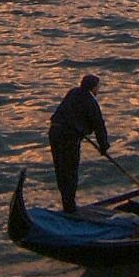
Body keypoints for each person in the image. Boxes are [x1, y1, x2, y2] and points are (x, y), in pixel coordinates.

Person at [48, 73, 109, 213]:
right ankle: (70, 208)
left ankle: (67, 205)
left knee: (61, 171)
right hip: (68, 137)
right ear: (93, 87)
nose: (98, 90)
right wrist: (104, 147)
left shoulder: (73, 93)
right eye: (97, 87)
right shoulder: (90, 101)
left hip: (54, 133)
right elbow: (99, 125)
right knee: (70, 172)